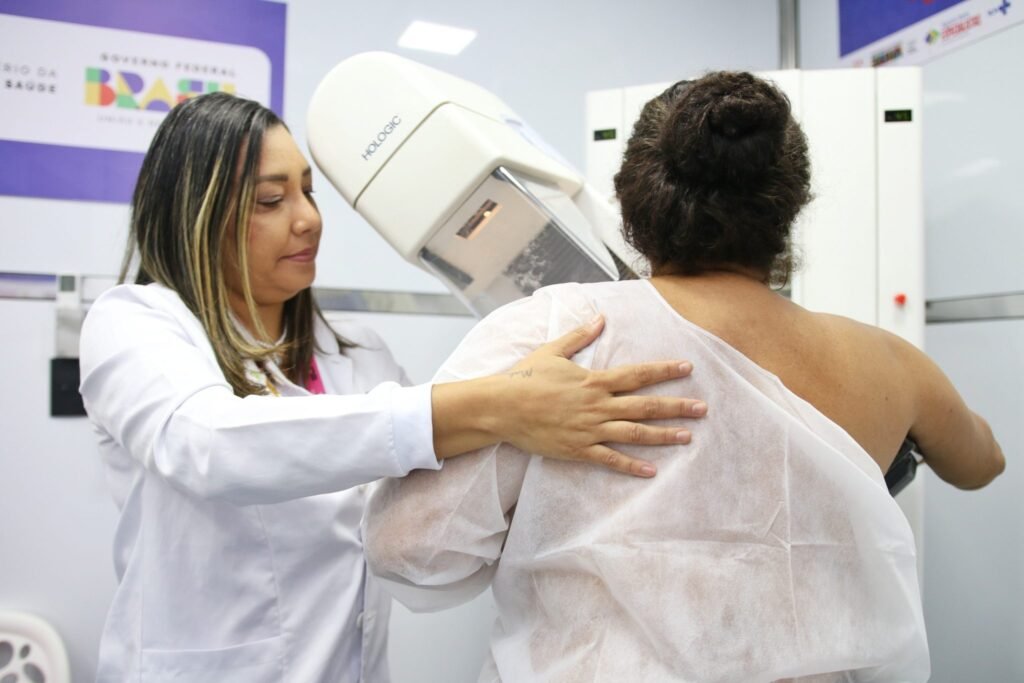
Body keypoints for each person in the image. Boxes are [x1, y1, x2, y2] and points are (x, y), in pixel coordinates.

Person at [362, 72, 1006, 682]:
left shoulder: (558, 332)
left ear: (630, 202)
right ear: (790, 208)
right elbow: (981, 463)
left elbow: (408, 546)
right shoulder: (887, 362)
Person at [77, 92, 709, 682]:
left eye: (308, 192)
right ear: (196, 215)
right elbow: (211, 447)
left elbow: (435, 497)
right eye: (271, 201)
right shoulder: (134, 323)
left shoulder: (358, 354)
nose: (308, 220)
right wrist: (498, 402)